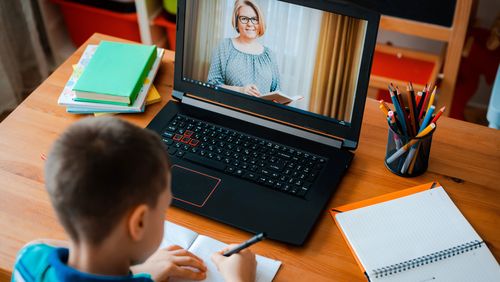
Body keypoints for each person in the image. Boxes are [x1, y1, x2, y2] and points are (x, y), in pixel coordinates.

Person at [12, 117, 256, 282]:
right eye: (164, 209)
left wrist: (139, 272)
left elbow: (43, 244)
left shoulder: (30, 259)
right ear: (138, 222)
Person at [207, 0, 281, 97]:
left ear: (260, 22)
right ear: (236, 21)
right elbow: (212, 85)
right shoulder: (225, 46)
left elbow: (276, 91)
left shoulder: (270, 55)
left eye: (255, 19)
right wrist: (240, 90)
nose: (250, 24)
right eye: (244, 18)